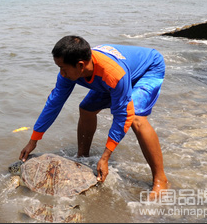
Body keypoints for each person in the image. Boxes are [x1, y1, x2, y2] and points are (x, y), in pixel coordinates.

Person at [19, 35, 169, 197]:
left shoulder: (113, 75)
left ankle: (161, 179)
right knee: (86, 109)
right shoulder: (70, 71)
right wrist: (34, 140)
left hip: (148, 69)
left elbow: (122, 116)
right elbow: (54, 103)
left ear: (80, 65)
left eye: (63, 68)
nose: (61, 73)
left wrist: (106, 156)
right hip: (120, 73)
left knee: (136, 118)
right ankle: (82, 157)